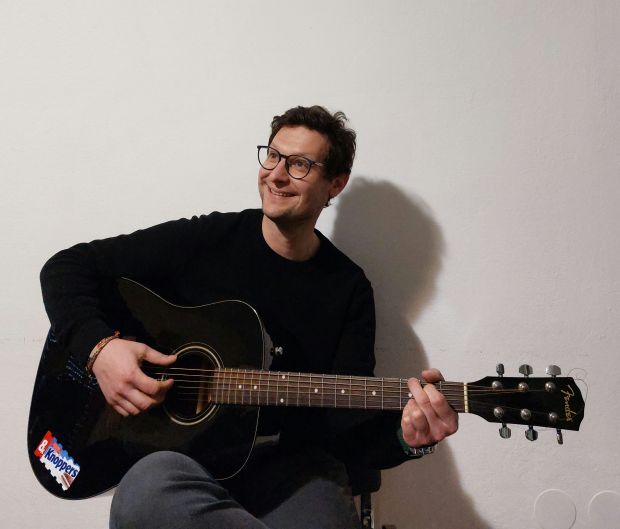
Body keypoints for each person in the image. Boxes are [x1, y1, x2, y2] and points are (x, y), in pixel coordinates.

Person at [40, 105, 458, 529]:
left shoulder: (347, 289)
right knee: (144, 497)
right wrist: (100, 349)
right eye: (273, 155)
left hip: (292, 474)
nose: (276, 174)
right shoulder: (208, 240)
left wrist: (407, 439)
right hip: (184, 466)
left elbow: (350, 431)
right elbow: (66, 268)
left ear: (335, 183)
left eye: (299, 164)